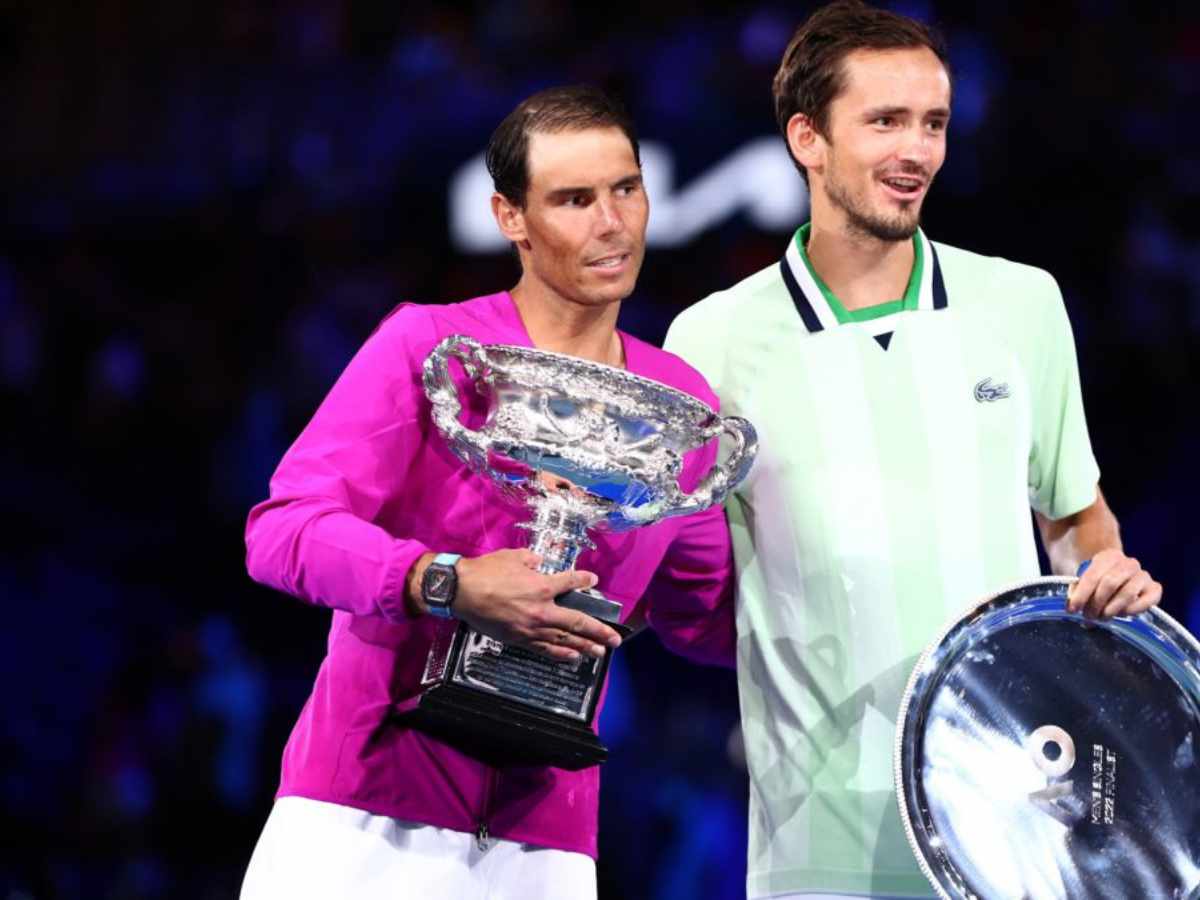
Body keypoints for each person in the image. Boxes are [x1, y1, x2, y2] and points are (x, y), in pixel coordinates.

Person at [663, 3, 1163, 898]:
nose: (917, 151)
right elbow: (684, 576)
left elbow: (1076, 518)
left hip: (1014, 822)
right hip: (816, 842)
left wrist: (1105, 570)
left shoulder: (1022, 304)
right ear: (807, 139)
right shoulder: (710, 339)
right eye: (885, 121)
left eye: (932, 123)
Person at [239, 85, 736, 900]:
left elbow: (707, 611)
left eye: (626, 188)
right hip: (360, 812)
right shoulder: (434, 347)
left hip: (547, 840)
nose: (613, 223)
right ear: (511, 217)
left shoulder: (676, 402)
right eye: (574, 200)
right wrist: (449, 582)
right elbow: (283, 532)